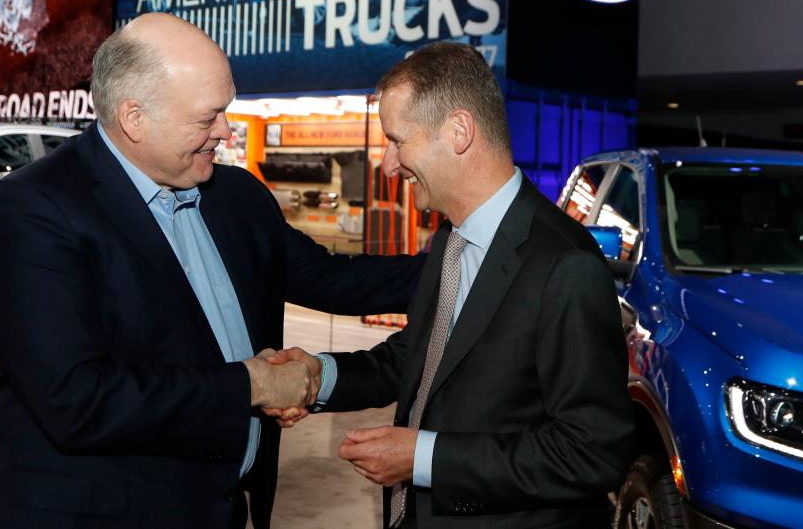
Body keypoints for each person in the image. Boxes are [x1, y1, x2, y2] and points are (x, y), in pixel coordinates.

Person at [0, 12, 423, 529]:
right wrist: (251, 386)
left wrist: (468, 261)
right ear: (134, 118)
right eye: (208, 117)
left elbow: (334, 278)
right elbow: (76, 401)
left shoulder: (235, 196)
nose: (225, 131)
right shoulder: (35, 208)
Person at [271, 42, 635, 528]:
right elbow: (421, 357)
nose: (388, 164)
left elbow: (592, 451)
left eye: (398, 141)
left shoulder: (566, 264)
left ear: (459, 131)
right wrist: (318, 376)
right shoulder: (451, 238)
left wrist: (425, 458)